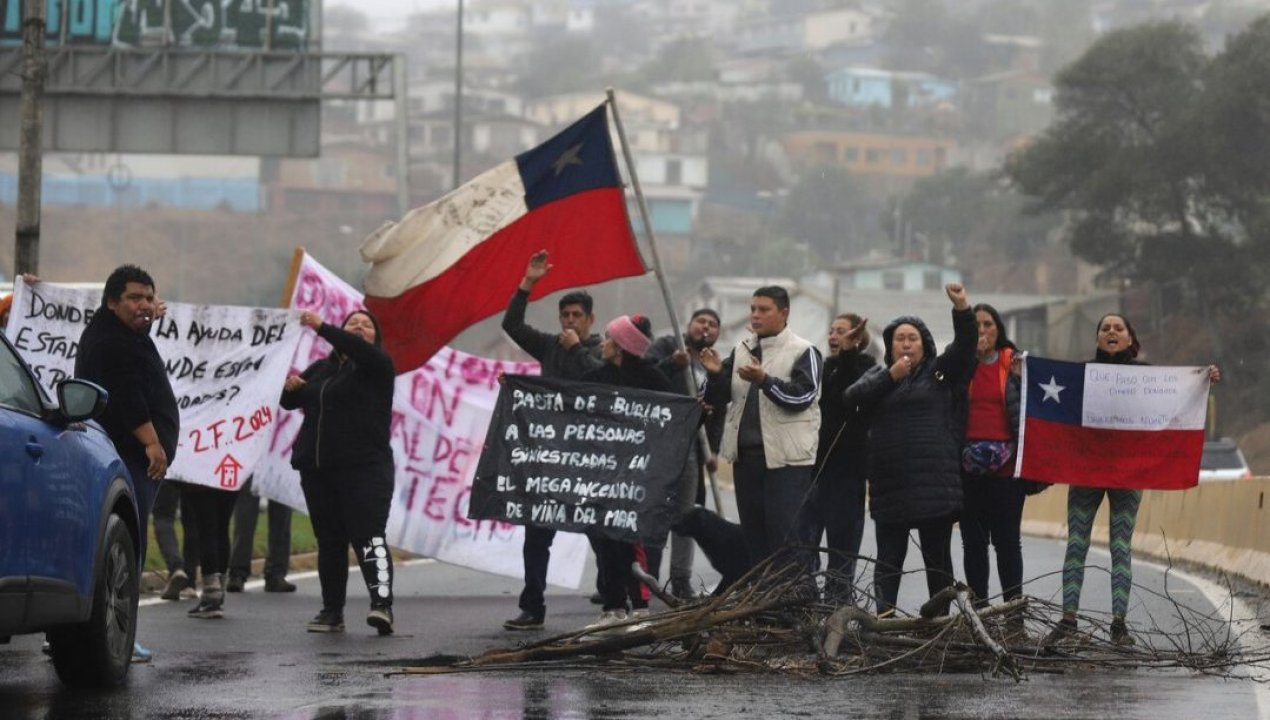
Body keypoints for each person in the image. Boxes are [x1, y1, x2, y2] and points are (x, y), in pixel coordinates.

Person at [1046, 314, 1221, 646]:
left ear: (1129, 339)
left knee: (1120, 546)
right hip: (1087, 472)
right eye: (1105, 328)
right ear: (1097, 338)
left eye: (1118, 328)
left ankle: (1119, 625)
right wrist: (1024, 375)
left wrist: (1204, 378)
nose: (1111, 332)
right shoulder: (1080, 375)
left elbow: (1178, 395)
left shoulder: (1147, 376)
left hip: (1128, 474)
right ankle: (1068, 621)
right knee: (1076, 543)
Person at [843, 283, 976, 616]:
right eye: (899, 338)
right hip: (891, 487)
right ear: (889, 345)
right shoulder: (879, 376)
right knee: (889, 558)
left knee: (938, 559)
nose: (905, 343)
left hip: (935, 487)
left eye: (912, 338)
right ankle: (884, 617)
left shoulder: (941, 375)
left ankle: (938, 621)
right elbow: (852, 398)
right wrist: (890, 376)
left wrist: (961, 309)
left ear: (925, 344)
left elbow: (965, 348)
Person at [75, 265, 179, 661]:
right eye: (135, 298)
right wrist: (152, 443)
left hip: (124, 456)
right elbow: (128, 394)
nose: (145, 306)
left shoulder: (118, 334)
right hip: (129, 457)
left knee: (116, 543)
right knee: (123, 547)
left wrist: (148, 320)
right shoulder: (114, 343)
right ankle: (116, 632)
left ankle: (99, 630)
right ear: (112, 301)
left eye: (150, 298)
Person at [500, 250, 603, 631]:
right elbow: (512, 325)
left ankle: (613, 598)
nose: (571, 321)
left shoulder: (602, 351)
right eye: (566, 315)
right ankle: (532, 605)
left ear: (591, 320)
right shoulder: (548, 347)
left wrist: (576, 347)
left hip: (590, 458)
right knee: (538, 531)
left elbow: (600, 378)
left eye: (578, 316)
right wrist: (527, 284)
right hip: (550, 457)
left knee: (599, 531)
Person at [281, 309, 396, 635]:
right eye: (352, 324)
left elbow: (356, 349)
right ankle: (332, 612)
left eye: (366, 325)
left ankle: (382, 605)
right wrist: (290, 388)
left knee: (369, 538)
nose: (358, 328)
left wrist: (322, 327)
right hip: (318, 470)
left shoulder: (377, 366)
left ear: (375, 338)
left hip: (365, 469)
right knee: (330, 542)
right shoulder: (321, 368)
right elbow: (288, 402)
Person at [701, 286, 822, 577]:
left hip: (786, 461)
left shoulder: (804, 350)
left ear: (784, 313)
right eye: (753, 309)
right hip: (746, 458)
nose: (755, 315)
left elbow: (802, 397)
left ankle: (793, 604)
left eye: (764, 309)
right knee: (755, 537)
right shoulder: (741, 348)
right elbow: (716, 398)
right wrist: (716, 373)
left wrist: (765, 380)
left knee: (786, 537)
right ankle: (761, 606)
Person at [582, 314, 672, 628]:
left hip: (639, 475)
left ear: (621, 346)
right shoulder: (599, 376)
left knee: (633, 539)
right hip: (605, 473)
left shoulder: (653, 378)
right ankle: (613, 605)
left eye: (608, 339)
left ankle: (641, 603)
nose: (603, 344)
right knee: (606, 537)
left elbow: (671, 418)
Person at [645, 308, 724, 599]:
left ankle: (680, 579)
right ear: (689, 325)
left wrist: (711, 451)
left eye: (713, 325)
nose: (706, 327)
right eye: (701, 321)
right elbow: (643, 377)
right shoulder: (667, 346)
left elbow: (717, 411)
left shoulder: (711, 363)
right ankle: (648, 578)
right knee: (654, 512)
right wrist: (670, 364)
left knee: (685, 515)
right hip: (658, 442)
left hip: (691, 447)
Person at [959, 304, 1026, 615]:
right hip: (967, 469)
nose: (982, 330)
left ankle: (1014, 612)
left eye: (987, 324)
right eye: (976, 325)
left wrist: (1022, 379)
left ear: (998, 329)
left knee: (1007, 543)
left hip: (1006, 470)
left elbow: (1032, 408)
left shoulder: (1013, 363)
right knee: (973, 544)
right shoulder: (960, 364)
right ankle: (980, 612)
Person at [812, 313, 876, 601]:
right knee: (805, 544)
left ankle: (836, 608)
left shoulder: (868, 368)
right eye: (832, 330)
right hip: (813, 470)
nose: (834, 336)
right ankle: (805, 603)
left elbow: (851, 396)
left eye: (842, 331)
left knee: (842, 550)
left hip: (848, 472)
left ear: (858, 338)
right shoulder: (821, 368)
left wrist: (849, 354)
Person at [226, 477, 296, 593]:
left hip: (280, 461)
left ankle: (276, 573)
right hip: (252, 461)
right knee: (245, 516)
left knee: (281, 516)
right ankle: (237, 573)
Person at [152, 479, 200, 600]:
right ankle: (190, 582)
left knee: (163, 517)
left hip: (169, 470)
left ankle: (176, 567)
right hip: (193, 471)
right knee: (192, 522)